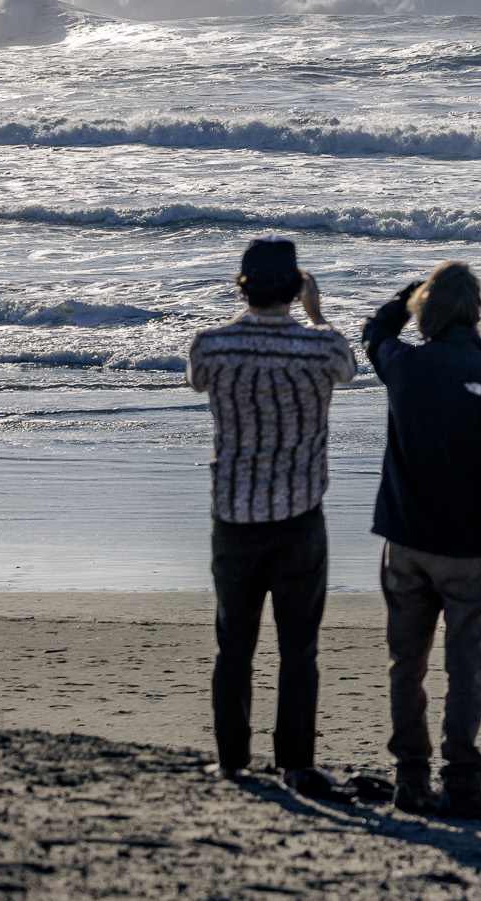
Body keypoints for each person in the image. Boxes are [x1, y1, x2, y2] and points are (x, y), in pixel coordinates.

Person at [187, 238, 357, 798]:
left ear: (242, 283)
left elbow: (197, 381)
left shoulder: (211, 346)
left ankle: (232, 760)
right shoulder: (321, 349)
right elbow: (349, 369)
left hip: (234, 514)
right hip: (298, 516)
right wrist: (316, 312)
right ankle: (296, 764)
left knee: (234, 644)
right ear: (296, 286)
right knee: (298, 648)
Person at [363, 261, 481, 821]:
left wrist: (405, 296)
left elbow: (374, 332)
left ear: (426, 314)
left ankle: (410, 778)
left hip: (405, 542)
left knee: (405, 665)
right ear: (477, 314)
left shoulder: (404, 366)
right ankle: (461, 782)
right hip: (464, 550)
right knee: (466, 669)